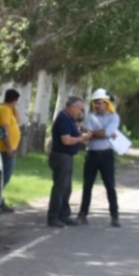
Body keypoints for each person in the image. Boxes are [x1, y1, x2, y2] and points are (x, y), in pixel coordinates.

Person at [77, 88, 121, 227]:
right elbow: (93, 132)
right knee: (87, 185)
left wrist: (92, 133)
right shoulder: (90, 116)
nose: (97, 105)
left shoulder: (114, 117)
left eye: (100, 102)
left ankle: (114, 215)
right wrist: (99, 133)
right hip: (92, 154)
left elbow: (105, 132)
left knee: (110, 186)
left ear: (107, 103)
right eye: (95, 103)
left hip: (106, 154)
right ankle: (83, 213)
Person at [47, 96, 91, 227]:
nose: (80, 112)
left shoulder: (69, 119)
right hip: (61, 156)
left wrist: (79, 130)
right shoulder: (63, 119)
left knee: (67, 188)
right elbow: (66, 140)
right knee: (60, 188)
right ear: (71, 107)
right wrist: (81, 138)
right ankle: (53, 216)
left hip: (67, 157)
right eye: (79, 109)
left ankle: (63, 214)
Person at [0, 88, 22, 212]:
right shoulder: (4, 110)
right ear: (14, 100)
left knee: (5, 176)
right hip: (5, 149)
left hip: (9, 148)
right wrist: (9, 147)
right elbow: (5, 130)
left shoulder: (9, 109)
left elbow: (18, 121)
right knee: (5, 176)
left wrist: (14, 108)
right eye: (16, 102)